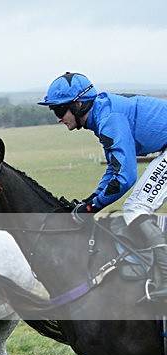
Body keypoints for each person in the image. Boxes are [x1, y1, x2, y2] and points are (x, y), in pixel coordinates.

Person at [38, 72, 167, 299]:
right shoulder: (101, 114)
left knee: (135, 208)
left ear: (78, 105)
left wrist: (91, 208)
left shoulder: (109, 119)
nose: (58, 118)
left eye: (59, 110)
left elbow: (125, 177)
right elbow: (114, 170)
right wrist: (90, 201)